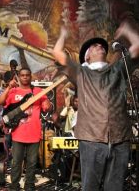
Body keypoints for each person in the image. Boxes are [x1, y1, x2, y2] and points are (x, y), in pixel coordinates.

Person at [52, 20, 139, 191]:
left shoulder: (117, 69)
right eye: (94, 47)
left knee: (115, 187)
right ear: (87, 57)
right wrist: (63, 34)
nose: (99, 46)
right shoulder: (81, 72)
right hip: (91, 139)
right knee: (90, 187)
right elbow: (57, 52)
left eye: (102, 46)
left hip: (119, 138)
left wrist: (127, 30)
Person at [0, 67, 51, 191]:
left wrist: (47, 105)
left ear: (30, 76)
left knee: (32, 163)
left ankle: (29, 186)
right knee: (16, 163)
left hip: (34, 134)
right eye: (22, 75)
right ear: (19, 76)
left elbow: (46, 107)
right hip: (18, 134)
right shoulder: (14, 91)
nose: (25, 77)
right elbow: (0, 102)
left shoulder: (38, 91)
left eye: (27, 75)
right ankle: (14, 187)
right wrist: (8, 87)